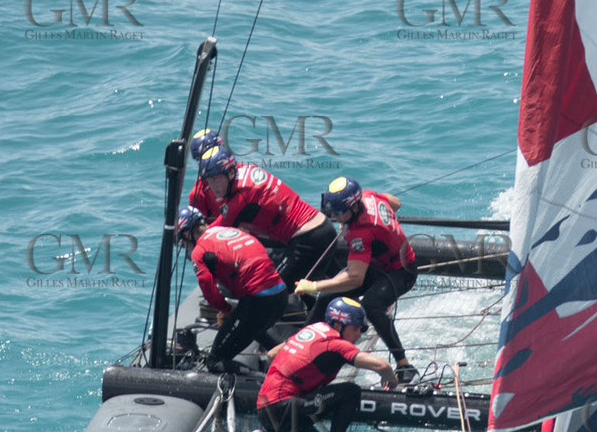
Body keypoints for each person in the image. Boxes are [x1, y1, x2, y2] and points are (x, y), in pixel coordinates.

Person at [295, 176, 419, 383]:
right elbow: (394, 202)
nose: (333, 217)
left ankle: (403, 363)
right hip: (381, 263)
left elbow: (355, 278)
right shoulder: (369, 196)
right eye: (331, 211)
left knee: (372, 305)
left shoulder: (361, 234)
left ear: (353, 208)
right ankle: (302, 344)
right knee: (327, 298)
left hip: (402, 272)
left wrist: (313, 286)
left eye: (337, 213)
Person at [253, 298, 398, 432]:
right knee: (350, 392)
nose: (359, 335)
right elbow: (382, 365)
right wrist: (390, 378)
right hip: (283, 408)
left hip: (267, 409)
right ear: (337, 326)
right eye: (355, 329)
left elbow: (272, 354)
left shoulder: (312, 330)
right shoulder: (336, 344)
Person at [193, 145, 341, 291]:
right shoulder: (243, 169)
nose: (212, 187)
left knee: (273, 290)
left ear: (230, 173)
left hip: (308, 239)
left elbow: (211, 235)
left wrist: (188, 232)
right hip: (321, 228)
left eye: (215, 179)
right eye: (208, 180)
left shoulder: (242, 198)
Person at [177, 205, 287, 374]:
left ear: (187, 233)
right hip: (280, 295)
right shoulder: (225, 231)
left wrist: (226, 310)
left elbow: (209, 291)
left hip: (258, 301)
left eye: (183, 241)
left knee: (215, 361)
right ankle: (292, 362)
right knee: (251, 328)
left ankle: (265, 384)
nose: (184, 246)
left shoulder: (200, 251)